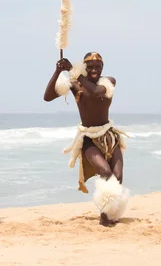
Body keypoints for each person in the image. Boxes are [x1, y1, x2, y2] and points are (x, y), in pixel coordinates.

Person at [43, 52, 129, 226]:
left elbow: (96, 92)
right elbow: (48, 97)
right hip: (89, 138)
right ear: (84, 67)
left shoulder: (108, 82)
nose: (94, 70)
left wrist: (74, 72)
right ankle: (105, 216)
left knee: (118, 176)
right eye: (90, 67)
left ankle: (112, 212)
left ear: (102, 68)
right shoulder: (76, 84)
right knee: (105, 172)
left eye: (97, 67)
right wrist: (58, 71)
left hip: (109, 136)